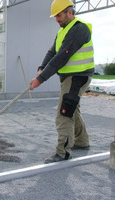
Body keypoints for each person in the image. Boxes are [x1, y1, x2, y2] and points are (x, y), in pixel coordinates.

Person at [29, 0, 94, 163]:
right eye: (55, 16)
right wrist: (42, 67)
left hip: (78, 77)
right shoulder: (64, 31)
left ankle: (63, 152)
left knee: (64, 112)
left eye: (58, 15)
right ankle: (82, 142)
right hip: (70, 77)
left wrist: (40, 79)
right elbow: (52, 51)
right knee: (73, 109)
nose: (56, 19)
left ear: (69, 12)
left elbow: (62, 56)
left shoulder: (79, 29)